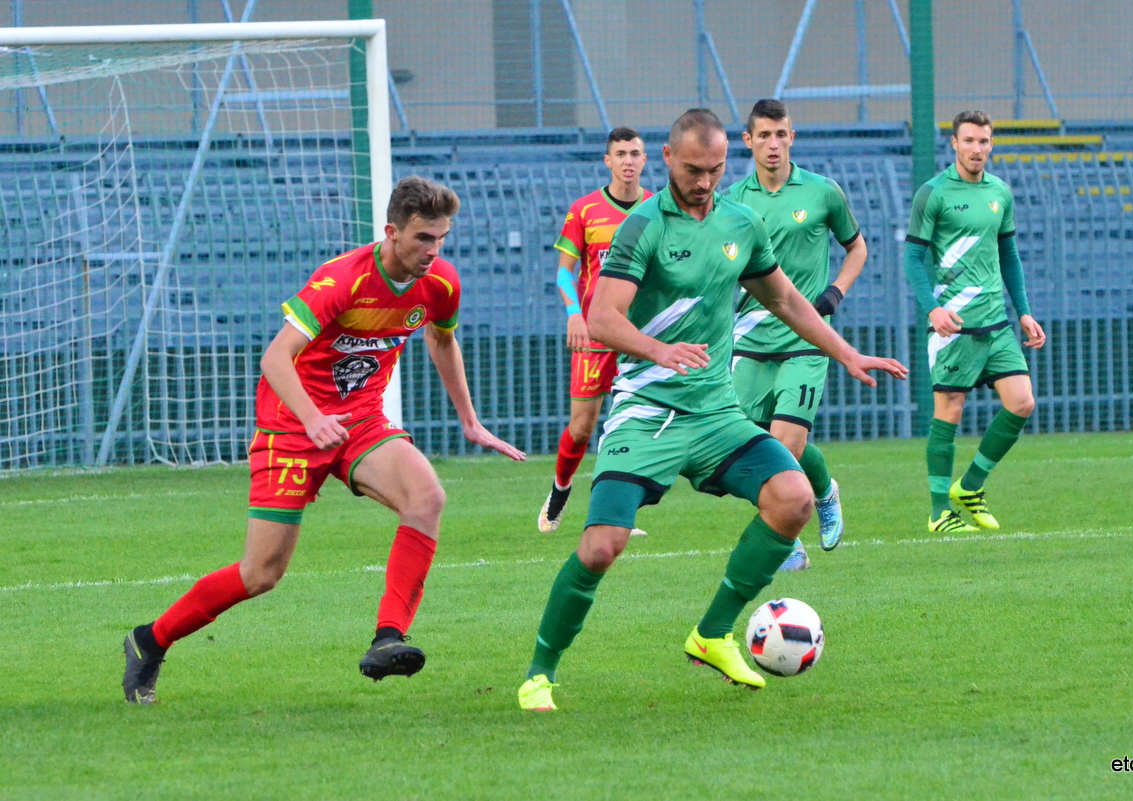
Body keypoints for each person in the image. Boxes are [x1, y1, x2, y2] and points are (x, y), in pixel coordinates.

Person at [517, 109, 907, 711]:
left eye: (716, 168)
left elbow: (786, 301)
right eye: (694, 168)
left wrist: (847, 352)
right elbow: (601, 318)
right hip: (646, 409)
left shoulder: (740, 221)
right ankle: (540, 672)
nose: (705, 181)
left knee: (794, 497)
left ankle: (713, 633)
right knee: (601, 546)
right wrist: (658, 350)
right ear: (668, 159)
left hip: (716, 412)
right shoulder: (643, 226)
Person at [122, 176, 525, 705]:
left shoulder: (441, 283)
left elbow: (442, 339)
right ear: (391, 231)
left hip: (359, 420)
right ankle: (149, 640)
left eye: (442, 238)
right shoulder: (342, 280)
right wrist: (312, 419)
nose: (434, 250)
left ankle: (388, 637)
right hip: (292, 426)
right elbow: (275, 357)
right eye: (424, 238)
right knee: (261, 574)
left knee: (427, 498)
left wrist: (469, 420)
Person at [726, 98, 868, 569]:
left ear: (792, 137)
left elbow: (857, 248)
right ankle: (824, 488)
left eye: (780, 134)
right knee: (742, 449)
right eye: (763, 135)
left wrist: (834, 294)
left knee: (785, 443)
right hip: (749, 341)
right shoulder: (733, 202)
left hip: (806, 341)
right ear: (747, 141)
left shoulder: (822, 192)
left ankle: (789, 534)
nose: (773, 144)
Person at [903, 109, 1046, 534]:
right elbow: (912, 257)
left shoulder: (1000, 192)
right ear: (954, 143)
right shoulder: (934, 193)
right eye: (969, 141)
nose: (977, 149)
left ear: (991, 143)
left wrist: (1022, 311)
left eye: (984, 141)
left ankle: (971, 486)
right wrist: (933, 308)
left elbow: (1009, 257)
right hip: (954, 324)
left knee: (1022, 402)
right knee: (949, 411)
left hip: (996, 322)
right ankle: (937, 512)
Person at [538, 127, 653, 536]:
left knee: (629, 425)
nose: (627, 160)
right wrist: (574, 312)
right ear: (608, 160)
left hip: (639, 338)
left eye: (634, 153)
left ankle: (615, 512)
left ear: (645, 159)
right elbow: (565, 273)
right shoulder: (585, 210)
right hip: (594, 334)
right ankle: (560, 488)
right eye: (620, 153)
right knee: (583, 427)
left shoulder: (657, 209)